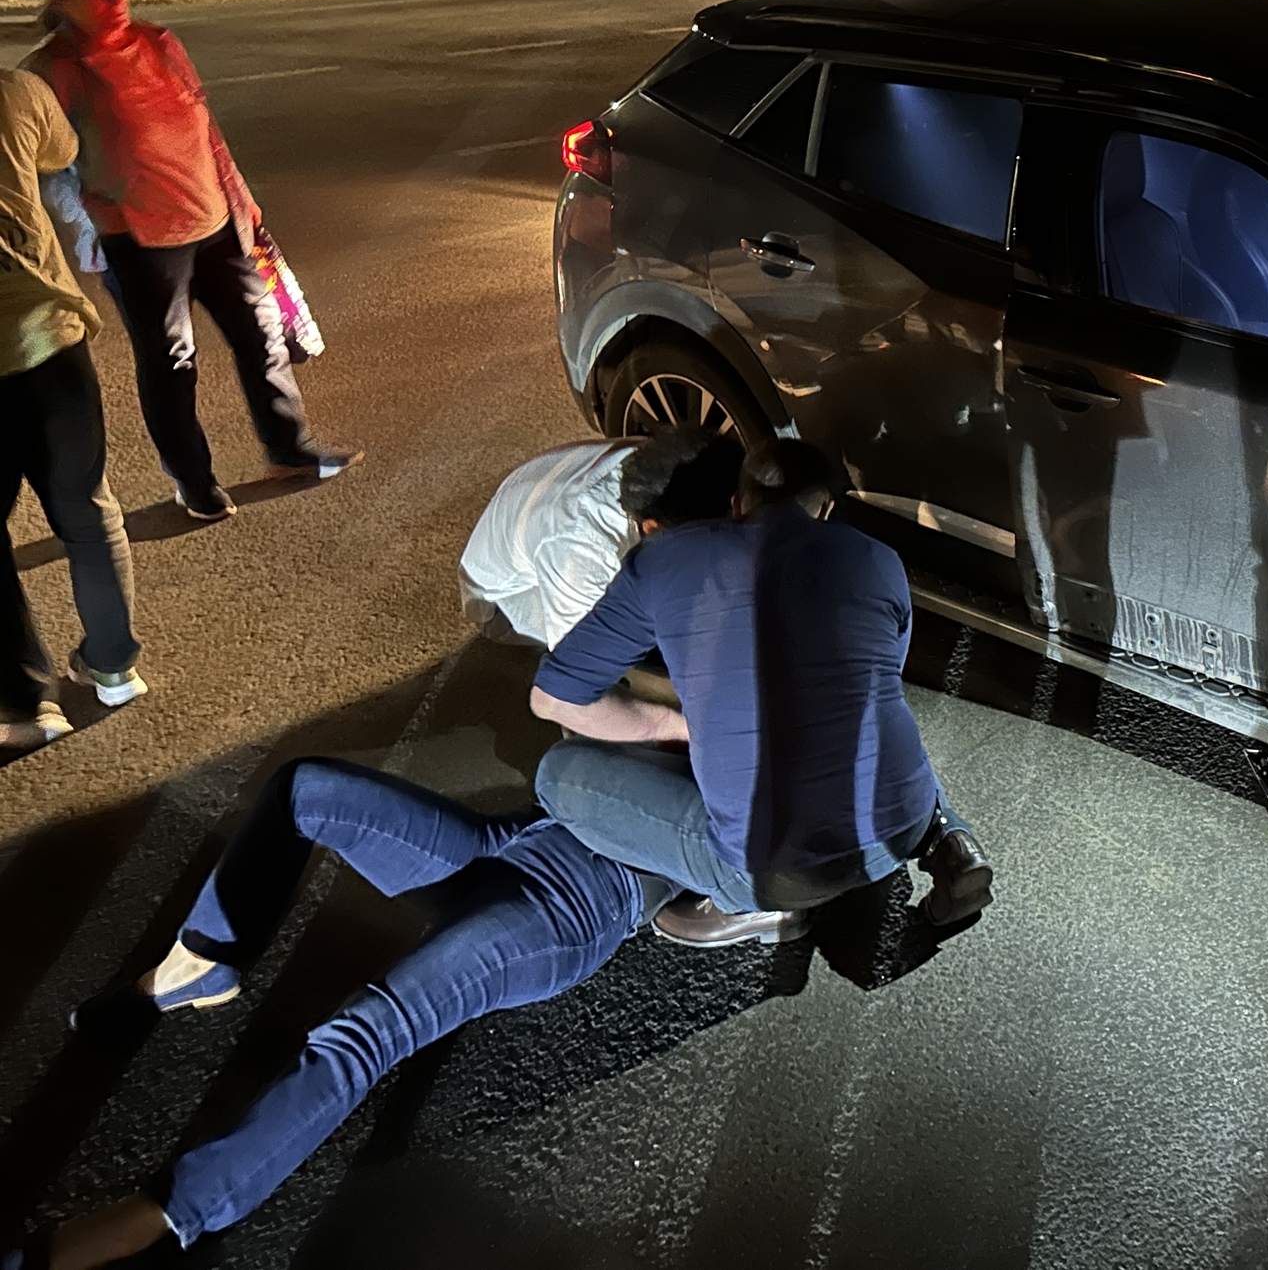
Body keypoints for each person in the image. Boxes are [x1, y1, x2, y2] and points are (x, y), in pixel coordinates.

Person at [15, 757, 674, 1269]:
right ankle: (199, 962)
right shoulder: (699, 605)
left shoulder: (767, 714)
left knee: (363, 1033)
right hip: (529, 831)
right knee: (304, 789)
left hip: (580, 898)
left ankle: (157, 1222)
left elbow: (738, 864)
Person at [530, 439, 994, 943]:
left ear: (736, 502)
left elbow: (553, 700)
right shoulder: (877, 559)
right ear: (826, 509)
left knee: (557, 775)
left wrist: (666, 723)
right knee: (868, 701)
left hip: (776, 875)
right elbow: (880, 679)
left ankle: (747, 906)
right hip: (905, 826)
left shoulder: (664, 561)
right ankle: (950, 835)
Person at [23, 0, 357, 524]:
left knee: (261, 336)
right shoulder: (53, 71)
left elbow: (204, 123)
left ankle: (288, 448)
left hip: (214, 220)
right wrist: (97, 229)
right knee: (173, 362)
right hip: (139, 240)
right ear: (62, 0)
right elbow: (51, 172)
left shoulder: (158, 42)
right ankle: (193, 481)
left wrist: (242, 197)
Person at [1, 68, 146, 753]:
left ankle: (28, 699)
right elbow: (59, 153)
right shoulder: (15, 90)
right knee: (87, 509)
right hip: (48, 332)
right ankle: (114, 665)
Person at [458, 429, 746, 651]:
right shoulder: (583, 550)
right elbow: (575, 669)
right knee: (644, 642)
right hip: (502, 599)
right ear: (652, 528)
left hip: (540, 508)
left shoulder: (659, 464)